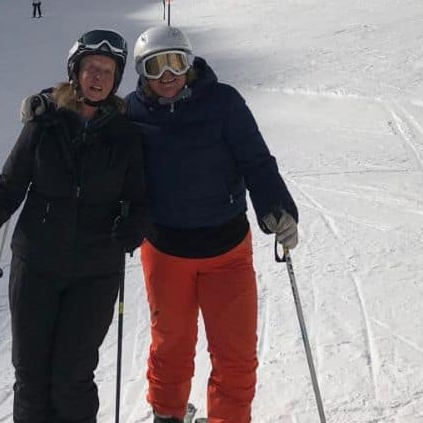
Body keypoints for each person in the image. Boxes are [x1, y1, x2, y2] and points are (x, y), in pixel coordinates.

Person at [0, 30, 148, 423]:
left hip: (95, 272)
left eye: (108, 72)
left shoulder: (125, 134)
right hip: (36, 266)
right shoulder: (46, 124)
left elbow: (141, 197)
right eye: (92, 68)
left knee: (72, 379)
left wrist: (134, 226)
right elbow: (9, 187)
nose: (99, 78)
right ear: (75, 72)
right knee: (31, 377)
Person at [127, 26, 298, 423]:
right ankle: (167, 415)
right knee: (170, 346)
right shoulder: (132, 113)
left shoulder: (224, 103)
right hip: (165, 251)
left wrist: (278, 207)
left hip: (227, 251)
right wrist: (49, 104)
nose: (167, 75)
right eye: (156, 66)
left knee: (235, 352)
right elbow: (89, 118)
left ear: (191, 62)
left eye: (176, 62)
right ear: (142, 73)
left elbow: (256, 160)